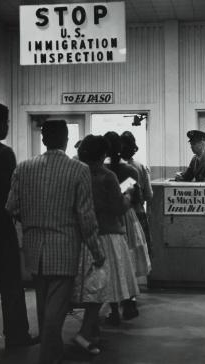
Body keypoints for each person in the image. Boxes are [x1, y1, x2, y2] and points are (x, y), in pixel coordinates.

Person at [6, 120, 104, 364]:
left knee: (43, 305)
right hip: (64, 248)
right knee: (55, 311)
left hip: (34, 248)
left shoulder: (23, 168)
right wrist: (96, 250)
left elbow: (11, 207)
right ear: (66, 139)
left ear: (43, 139)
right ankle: (49, 358)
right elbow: (85, 215)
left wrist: (30, 220)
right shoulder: (78, 170)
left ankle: (53, 352)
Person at [0, 102, 37, 350]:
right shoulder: (5, 153)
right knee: (11, 284)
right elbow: (11, 194)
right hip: (0, 226)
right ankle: (16, 336)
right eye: (8, 122)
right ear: (1, 123)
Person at [72, 135, 139, 353]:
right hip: (109, 236)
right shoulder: (107, 176)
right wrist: (128, 195)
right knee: (102, 288)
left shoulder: (77, 174)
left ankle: (93, 332)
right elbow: (118, 208)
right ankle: (84, 333)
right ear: (103, 154)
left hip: (85, 236)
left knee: (92, 286)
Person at [104, 131, 151, 322]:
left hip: (107, 219)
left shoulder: (100, 170)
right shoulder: (130, 171)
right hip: (127, 217)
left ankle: (113, 309)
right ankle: (129, 300)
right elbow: (137, 197)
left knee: (112, 262)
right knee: (128, 258)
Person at [120, 131, 153, 254]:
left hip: (120, 215)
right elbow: (149, 195)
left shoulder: (112, 168)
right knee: (140, 254)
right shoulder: (140, 166)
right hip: (138, 213)